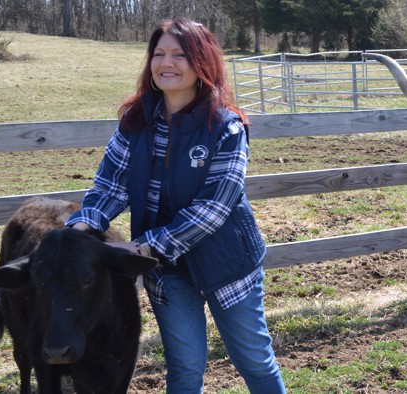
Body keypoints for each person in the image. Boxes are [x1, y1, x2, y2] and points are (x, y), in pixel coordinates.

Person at [65, 17, 286, 393]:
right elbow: (110, 185)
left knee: (254, 363)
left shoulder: (226, 127)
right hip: (167, 269)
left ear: (203, 62)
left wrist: (143, 247)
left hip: (227, 265)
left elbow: (214, 208)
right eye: (159, 53)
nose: (166, 63)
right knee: (184, 370)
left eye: (180, 55)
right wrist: (82, 227)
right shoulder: (135, 122)